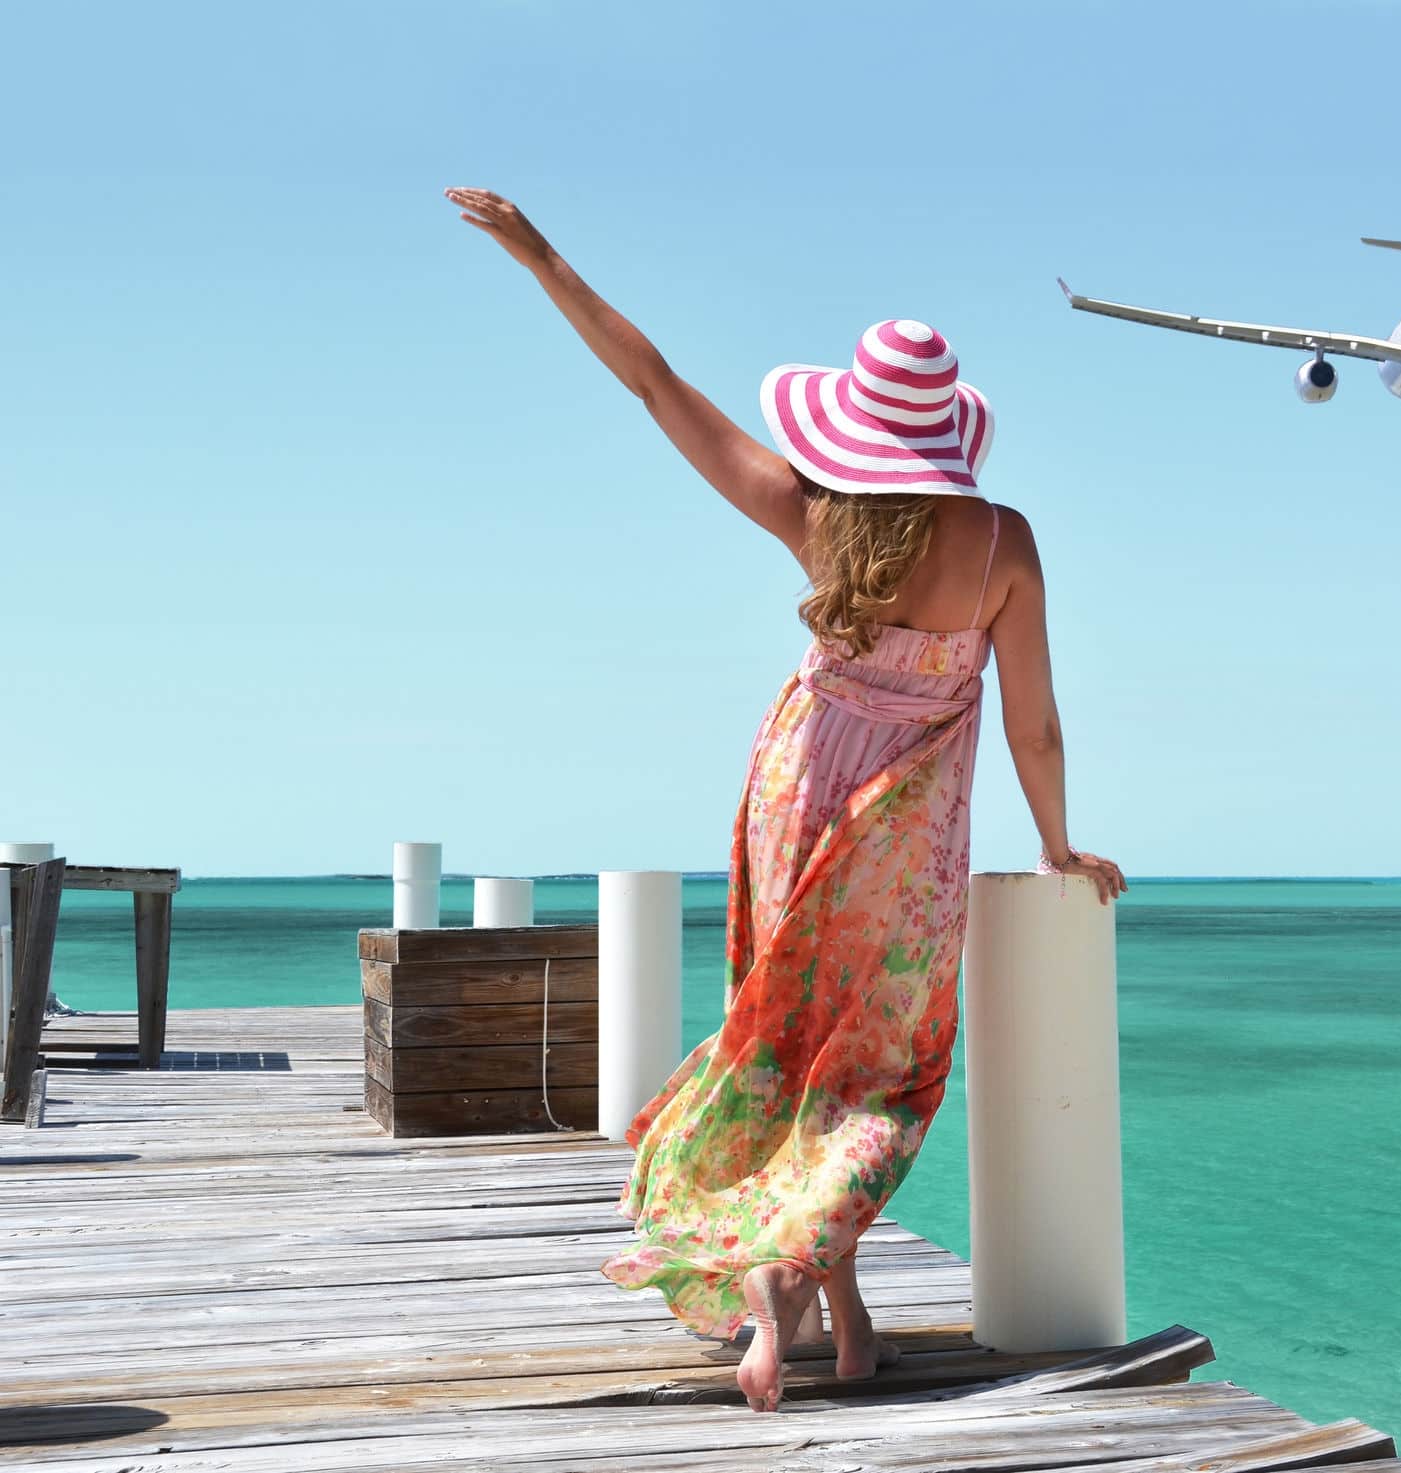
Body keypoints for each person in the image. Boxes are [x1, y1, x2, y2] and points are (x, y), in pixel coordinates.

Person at [445, 188, 1127, 1412]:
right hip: (908, 846)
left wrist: (539, 251)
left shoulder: (812, 516)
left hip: (792, 799)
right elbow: (1035, 723)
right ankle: (806, 1316)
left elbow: (653, 385)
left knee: (778, 1045)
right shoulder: (1004, 545)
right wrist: (1059, 846)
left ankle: (813, 1316)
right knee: (877, 1071)